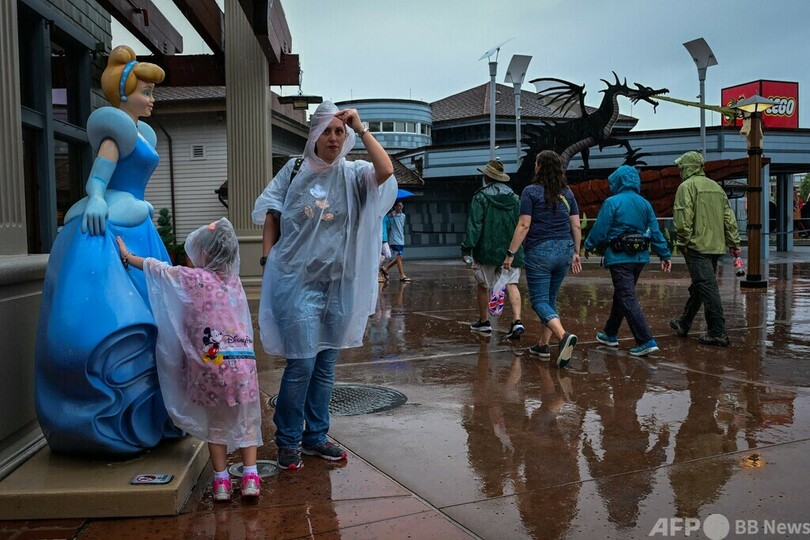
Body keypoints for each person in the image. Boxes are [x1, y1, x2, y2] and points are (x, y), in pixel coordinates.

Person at [35, 45, 180, 456]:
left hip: (139, 226)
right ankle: (111, 419)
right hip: (114, 222)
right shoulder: (116, 131)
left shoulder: (142, 133)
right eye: (146, 92)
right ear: (124, 92)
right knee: (119, 313)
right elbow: (99, 178)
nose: (151, 99)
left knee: (156, 312)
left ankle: (151, 415)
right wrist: (96, 198)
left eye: (152, 92)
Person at [252, 101, 396, 470]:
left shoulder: (355, 174)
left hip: (339, 284)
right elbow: (271, 212)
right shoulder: (294, 169)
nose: (333, 138)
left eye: (339, 131)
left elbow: (387, 169)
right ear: (314, 135)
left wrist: (361, 128)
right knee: (301, 364)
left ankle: (316, 436)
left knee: (325, 365)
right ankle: (287, 440)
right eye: (326, 131)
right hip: (296, 283)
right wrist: (268, 260)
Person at [116, 218, 262, 501]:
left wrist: (127, 255)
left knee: (216, 425)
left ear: (205, 255)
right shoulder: (235, 283)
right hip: (242, 366)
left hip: (212, 368)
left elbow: (158, 270)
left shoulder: (194, 279)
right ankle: (250, 477)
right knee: (245, 423)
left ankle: (221, 483)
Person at [503, 150, 581, 368]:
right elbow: (575, 225)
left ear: (539, 166)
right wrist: (576, 251)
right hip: (565, 250)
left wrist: (510, 253)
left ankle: (563, 336)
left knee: (538, 301)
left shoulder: (530, 192)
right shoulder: (568, 193)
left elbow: (524, 225)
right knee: (550, 298)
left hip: (540, 252)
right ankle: (543, 345)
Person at [583, 165, 672, 357]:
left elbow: (601, 229)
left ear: (617, 181)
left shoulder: (612, 202)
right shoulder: (645, 203)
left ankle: (645, 340)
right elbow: (655, 231)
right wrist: (665, 254)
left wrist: (588, 245)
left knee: (626, 296)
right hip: (639, 257)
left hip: (619, 257)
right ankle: (610, 333)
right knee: (623, 294)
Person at [670, 151, 741, 346]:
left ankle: (717, 332)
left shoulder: (686, 187)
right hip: (715, 246)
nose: (679, 171)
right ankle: (684, 322)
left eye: (681, 167)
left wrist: (682, 242)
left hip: (696, 246)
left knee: (707, 287)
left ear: (687, 167)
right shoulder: (716, 187)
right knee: (701, 285)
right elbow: (729, 218)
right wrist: (734, 242)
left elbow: (683, 219)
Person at [461, 159, 525, 339]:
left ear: (488, 177)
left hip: (486, 250)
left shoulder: (480, 197)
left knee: (483, 285)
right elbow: (522, 224)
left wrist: (467, 248)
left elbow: (475, 225)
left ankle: (484, 321)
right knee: (511, 284)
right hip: (510, 251)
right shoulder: (515, 198)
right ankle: (517, 321)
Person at [384, 201, 411, 281]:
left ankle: (386, 269)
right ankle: (402, 275)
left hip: (401, 239)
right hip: (394, 239)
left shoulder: (403, 216)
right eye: (398, 206)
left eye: (401, 206)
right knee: (399, 257)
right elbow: (388, 226)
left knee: (399, 258)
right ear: (395, 207)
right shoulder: (390, 216)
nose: (400, 207)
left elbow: (401, 226)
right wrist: (391, 217)